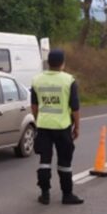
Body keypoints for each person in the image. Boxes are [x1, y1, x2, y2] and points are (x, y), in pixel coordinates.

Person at [31, 49, 84, 205]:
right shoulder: (69, 80)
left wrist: (38, 119)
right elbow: (75, 107)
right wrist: (77, 127)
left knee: (44, 161)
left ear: (48, 63)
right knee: (65, 162)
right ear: (63, 63)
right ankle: (67, 194)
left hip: (43, 126)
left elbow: (34, 106)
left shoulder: (36, 80)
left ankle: (45, 194)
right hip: (62, 127)